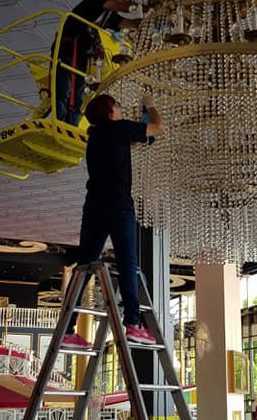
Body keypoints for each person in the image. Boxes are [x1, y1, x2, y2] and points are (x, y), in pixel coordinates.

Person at [62, 93, 162, 348]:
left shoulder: (95, 137)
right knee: (128, 264)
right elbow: (157, 127)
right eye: (117, 105)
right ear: (110, 113)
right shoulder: (119, 129)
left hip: (93, 208)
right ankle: (133, 324)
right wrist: (151, 106)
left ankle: (67, 329)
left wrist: (139, 130)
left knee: (84, 266)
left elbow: (128, 146)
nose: (120, 108)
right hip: (118, 206)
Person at [51, 0, 150, 124]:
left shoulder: (109, 15)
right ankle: (58, 121)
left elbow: (126, 23)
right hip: (67, 49)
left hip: (82, 54)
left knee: (78, 93)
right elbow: (119, 6)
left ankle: (71, 124)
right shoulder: (95, 3)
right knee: (63, 89)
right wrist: (144, 7)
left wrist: (146, 22)